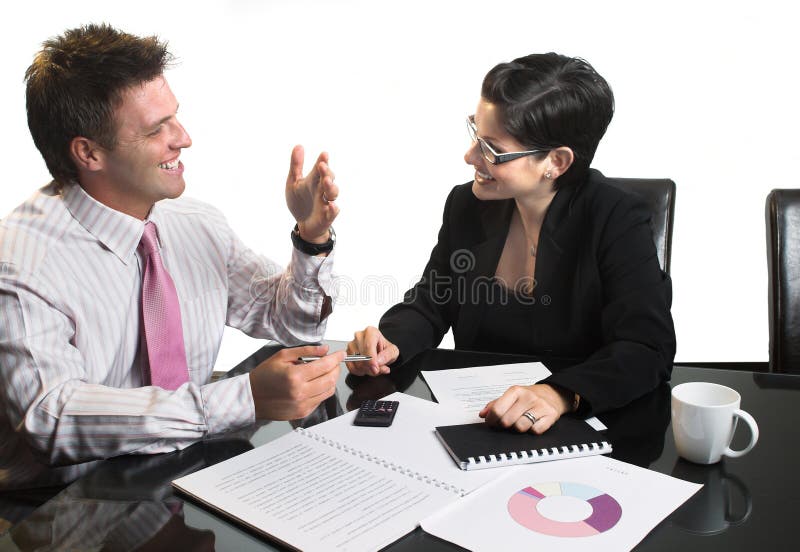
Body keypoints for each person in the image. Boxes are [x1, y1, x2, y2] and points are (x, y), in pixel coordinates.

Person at [0, 23, 344, 491]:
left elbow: (292, 325)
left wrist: (311, 237)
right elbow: (52, 418)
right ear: (88, 152)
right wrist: (239, 400)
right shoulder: (21, 262)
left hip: (186, 482)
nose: (183, 138)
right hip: (60, 514)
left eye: (175, 117)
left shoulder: (194, 222)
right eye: (156, 129)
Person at [347, 53, 676, 435]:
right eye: (475, 134)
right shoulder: (467, 205)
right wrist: (389, 342)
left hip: (582, 428)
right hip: (479, 419)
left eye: (492, 149)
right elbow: (433, 301)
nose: (470, 157)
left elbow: (646, 349)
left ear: (556, 161)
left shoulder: (616, 218)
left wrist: (559, 394)